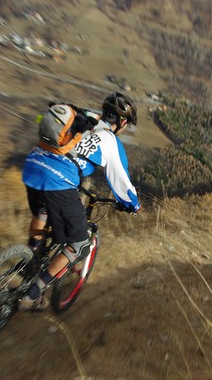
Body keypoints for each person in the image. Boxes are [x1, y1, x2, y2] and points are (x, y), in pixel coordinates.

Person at [20, 93, 141, 310]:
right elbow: (121, 181)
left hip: (33, 163)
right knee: (80, 244)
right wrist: (133, 205)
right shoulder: (110, 140)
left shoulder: (84, 117)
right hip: (59, 179)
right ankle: (32, 295)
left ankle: (27, 262)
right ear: (122, 122)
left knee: (43, 211)